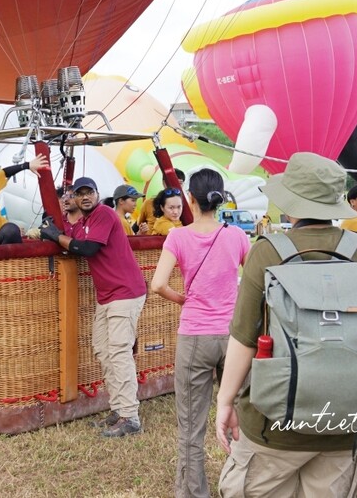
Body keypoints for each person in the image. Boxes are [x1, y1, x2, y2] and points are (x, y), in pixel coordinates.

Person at [215, 153, 357, 497]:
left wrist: (226, 402)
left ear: (292, 204)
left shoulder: (267, 252)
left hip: (272, 423)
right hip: (347, 422)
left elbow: (243, 338)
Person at [149, 169, 250, 498]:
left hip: (195, 335)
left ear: (190, 198)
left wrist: (184, 299)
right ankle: (244, 485)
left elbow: (158, 284)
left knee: (191, 428)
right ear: (221, 199)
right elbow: (254, 281)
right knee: (241, 419)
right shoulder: (237, 236)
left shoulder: (178, 237)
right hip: (234, 336)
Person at [39, 177, 148, 437]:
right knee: (103, 349)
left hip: (125, 292)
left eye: (90, 192)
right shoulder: (84, 222)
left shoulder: (104, 214)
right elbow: (72, 241)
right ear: (74, 198)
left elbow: (86, 248)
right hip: (108, 296)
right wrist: (57, 225)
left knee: (119, 352)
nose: (86, 197)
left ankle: (130, 417)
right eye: (80, 194)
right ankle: (118, 408)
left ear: (98, 194)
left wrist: (57, 234)